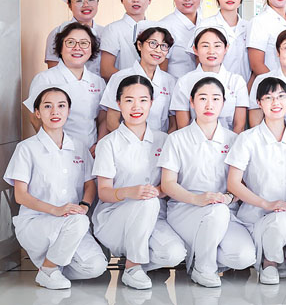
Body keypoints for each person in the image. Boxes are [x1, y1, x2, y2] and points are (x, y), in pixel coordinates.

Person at [5, 85, 108, 289]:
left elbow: (89, 184)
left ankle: (51, 266)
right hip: (37, 222)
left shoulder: (78, 146)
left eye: (61, 106)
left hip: (72, 222)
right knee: (78, 222)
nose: (55, 112)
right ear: (37, 112)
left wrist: (84, 206)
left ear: (68, 110)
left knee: (96, 266)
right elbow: (20, 195)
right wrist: (56, 210)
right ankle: (49, 269)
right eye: (47, 106)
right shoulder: (26, 148)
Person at [159, 77, 257, 288]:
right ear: (192, 102)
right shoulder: (177, 139)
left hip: (225, 208)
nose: (209, 105)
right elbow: (167, 184)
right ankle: (204, 268)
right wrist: (196, 199)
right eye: (203, 98)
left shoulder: (234, 140)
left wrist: (228, 198)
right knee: (217, 212)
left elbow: (241, 183)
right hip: (185, 208)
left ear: (224, 103)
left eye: (215, 99)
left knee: (244, 257)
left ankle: (199, 252)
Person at [92, 75, 186, 290]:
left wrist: (155, 192)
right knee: (147, 202)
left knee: (174, 254)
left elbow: (171, 183)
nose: (136, 107)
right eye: (129, 100)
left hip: (154, 215)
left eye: (143, 100)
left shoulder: (164, 140)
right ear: (118, 104)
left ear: (151, 103)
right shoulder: (108, 143)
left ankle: (137, 261)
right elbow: (104, 192)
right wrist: (130, 192)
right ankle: (133, 267)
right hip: (114, 217)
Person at [227, 77, 286, 285]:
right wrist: (267, 204)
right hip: (257, 214)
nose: (275, 102)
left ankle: (279, 253)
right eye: (268, 98)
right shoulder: (248, 138)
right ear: (259, 103)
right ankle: (270, 262)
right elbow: (233, 183)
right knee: (280, 221)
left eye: (281, 96)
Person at [25, 23, 106, 156]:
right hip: (57, 153)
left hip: (90, 153)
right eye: (70, 42)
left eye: (84, 43)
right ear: (60, 48)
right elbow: (35, 118)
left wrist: (100, 144)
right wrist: (55, 147)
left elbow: (103, 118)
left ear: (91, 49)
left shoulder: (98, 82)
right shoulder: (45, 79)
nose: (77, 48)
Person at [171, 25, 249, 133]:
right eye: (205, 46)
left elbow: (239, 126)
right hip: (193, 141)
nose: (211, 51)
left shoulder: (236, 82)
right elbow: (183, 127)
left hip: (229, 142)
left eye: (217, 46)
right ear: (195, 49)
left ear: (226, 48)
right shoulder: (184, 82)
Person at [101, 25, 177, 133]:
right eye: (153, 43)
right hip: (127, 140)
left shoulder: (170, 81)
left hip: (160, 142)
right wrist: (133, 140)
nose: (158, 50)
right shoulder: (119, 77)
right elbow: (111, 121)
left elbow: (173, 122)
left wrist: (163, 141)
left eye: (164, 46)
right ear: (139, 45)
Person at [100, 0, 158, 81]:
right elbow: (106, 69)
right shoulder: (113, 29)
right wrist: (136, 83)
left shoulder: (157, 29)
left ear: (150, 0)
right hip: (123, 87)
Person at [45, 0, 104, 76]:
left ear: (98, 2)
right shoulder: (58, 32)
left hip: (101, 85)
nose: (86, 4)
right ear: (69, 5)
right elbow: (53, 72)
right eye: (79, 0)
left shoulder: (105, 32)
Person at [160, 0, 212, 79]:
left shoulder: (207, 24)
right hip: (175, 88)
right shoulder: (164, 26)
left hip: (205, 86)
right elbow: (160, 71)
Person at [200, 0, 252, 82]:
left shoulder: (249, 27)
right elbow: (199, 60)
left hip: (245, 87)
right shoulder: (205, 25)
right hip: (213, 87)